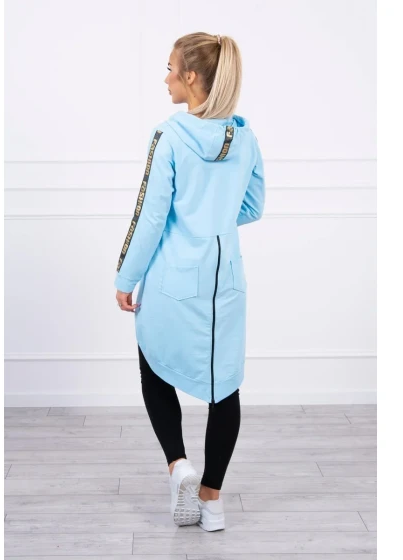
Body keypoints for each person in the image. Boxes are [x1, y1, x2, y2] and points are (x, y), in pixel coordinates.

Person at [114, 32, 266, 531]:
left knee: (154, 365)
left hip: (172, 281)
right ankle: (212, 503)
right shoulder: (244, 138)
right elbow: (253, 207)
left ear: (192, 76)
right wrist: (213, 220)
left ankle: (178, 465)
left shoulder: (169, 136)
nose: (165, 79)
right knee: (226, 387)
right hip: (227, 282)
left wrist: (125, 277)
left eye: (170, 69)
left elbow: (149, 218)